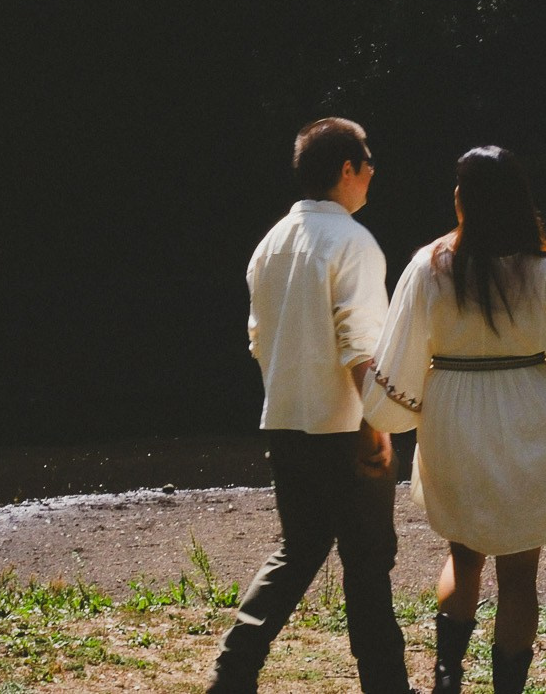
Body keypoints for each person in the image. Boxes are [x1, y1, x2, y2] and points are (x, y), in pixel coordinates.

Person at [362, 146, 546, 694]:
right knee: (519, 574)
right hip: (526, 416)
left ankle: (448, 678)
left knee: (463, 556)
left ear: (463, 199)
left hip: (453, 417)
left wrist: (383, 419)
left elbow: (398, 356)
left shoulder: (429, 265)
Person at [206, 117, 412, 694]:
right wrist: (375, 424)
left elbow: (257, 340)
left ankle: (231, 673)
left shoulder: (270, 243)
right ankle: (386, 686)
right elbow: (360, 347)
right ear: (346, 169)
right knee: (368, 563)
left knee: (297, 551)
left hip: (285, 422)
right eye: (368, 163)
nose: (373, 173)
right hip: (345, 428)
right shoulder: (353, 242)